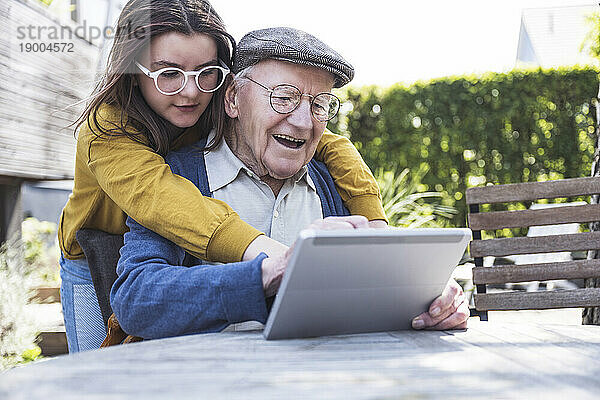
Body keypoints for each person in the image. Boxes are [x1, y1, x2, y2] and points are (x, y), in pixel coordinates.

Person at [57, 0, 387, 352]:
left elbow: (326, 143)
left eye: (206, 72)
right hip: (96, 249)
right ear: (132, 70)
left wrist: (378, 231)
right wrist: (281, 261)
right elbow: (164, 202)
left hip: (171, 235)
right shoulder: (107, 131)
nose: (191, 91)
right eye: (168, 73)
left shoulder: (215, 100)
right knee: (98, 370)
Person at [111, 27, 469, 340]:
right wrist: (264, 275)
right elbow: (136, 300)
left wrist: (430, 300)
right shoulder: (177, 177)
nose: (303, 121)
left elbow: (373, 294)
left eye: (319, 104)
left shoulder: (333, 184)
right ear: (233, 98)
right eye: (284, 97)